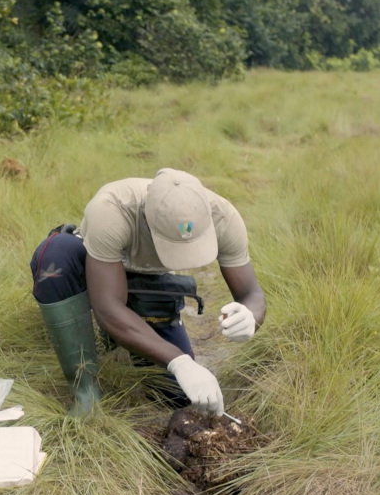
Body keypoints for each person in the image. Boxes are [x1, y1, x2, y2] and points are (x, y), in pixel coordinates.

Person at [29, 168, 266, 417]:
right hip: (100, 270)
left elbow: (251, 292)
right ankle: (86, 394)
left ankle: (122, 336)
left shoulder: (224, 218)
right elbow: (108, 309)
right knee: (56, 256)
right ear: (146, 219)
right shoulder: (112, 209)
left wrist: (250, 315)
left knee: (177, 396)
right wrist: (179, 361)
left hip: (150, 280)